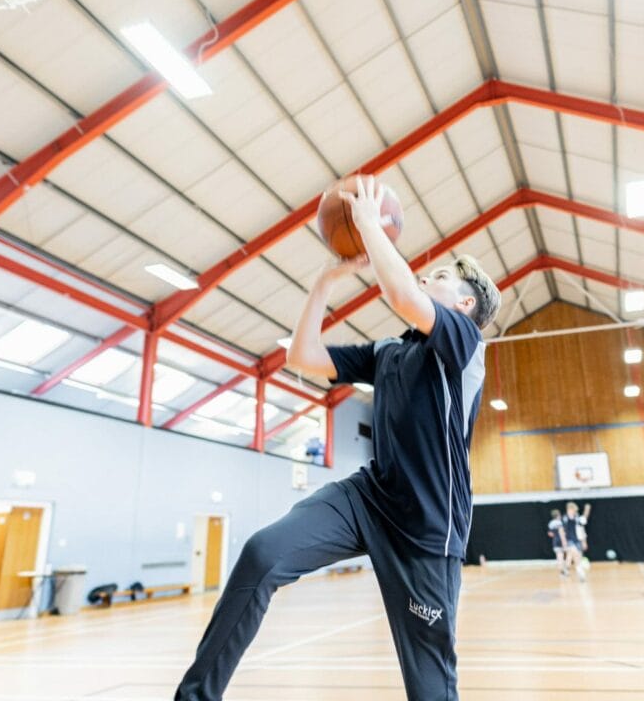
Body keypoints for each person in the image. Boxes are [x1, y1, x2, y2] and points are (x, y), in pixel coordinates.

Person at [174, 176, 501, 701]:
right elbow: (301, 357)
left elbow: (400, 293)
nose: (427, 275)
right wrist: (324, 285)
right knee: (262, 554)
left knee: (430, 688)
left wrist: (370, 224)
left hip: (427, 525)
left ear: (465, 306)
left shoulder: (464, 344)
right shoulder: (390, 353)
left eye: (441, 277)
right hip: (369, 497)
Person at [561, 502, 590, 582]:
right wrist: (564, 541)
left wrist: (584, 541)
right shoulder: (565, 518)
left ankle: (566, 570)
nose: (573, 512)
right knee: (576, 556)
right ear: (569, 510)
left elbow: (582, 528)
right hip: (569, 541)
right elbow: (562, 531)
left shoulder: (577, 518)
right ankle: (581, 574)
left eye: (574, 510)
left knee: (574, 557)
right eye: (572, 510)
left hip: (577, 540)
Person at [547, 509, 568, 576]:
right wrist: (564, 541)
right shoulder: (559, 523)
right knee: (565, 556)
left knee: (559, 557)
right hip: (561, 541)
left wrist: (555, 535)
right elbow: (561, 532)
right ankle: (564, 570)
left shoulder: (551, 523)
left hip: (555, 541)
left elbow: (550, 533)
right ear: (558, 515)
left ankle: (561, 571)